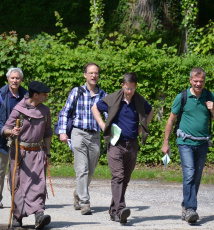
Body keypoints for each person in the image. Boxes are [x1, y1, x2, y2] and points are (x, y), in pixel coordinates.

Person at [161, 67, 214, 224]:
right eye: (195, 81)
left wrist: (213, 109)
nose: (198, 83)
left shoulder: (209, 96)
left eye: (201, 81)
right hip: (185, 142)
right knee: (189, 173)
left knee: (196, 176)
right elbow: (171, 120)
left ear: (204, 81)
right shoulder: (182, 97)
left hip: (202, 143)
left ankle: (185, 206)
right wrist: (165, 142)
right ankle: (190, 209)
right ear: (190, 80)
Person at [91, 72, 154, 224]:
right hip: (115, 144)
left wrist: (142, 128)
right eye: (127, 88)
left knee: (125, 179)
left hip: (132, 144)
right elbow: (95, 108)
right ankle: (121, 209)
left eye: (132, 88)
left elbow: (150, 111)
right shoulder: (113, 98)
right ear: (122, 85)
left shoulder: (139, 101)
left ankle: (114, 212)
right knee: (118, 177)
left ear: (136, 86)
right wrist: (102, 125)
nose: (129, 91)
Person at [1, 81, 52, 228]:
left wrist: (47, 152)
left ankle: (39, 215)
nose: (46, 96)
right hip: (19, 153)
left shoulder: (45, 111)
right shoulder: (19, 110)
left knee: (39, 185)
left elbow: (48, 133)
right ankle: (17, 216)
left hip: (37, 153)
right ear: (35, 95)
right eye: (44, 94)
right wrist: (12, 131)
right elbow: (5, 129)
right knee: (18, 185)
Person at [58, 62, 107, 215]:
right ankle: (85, 203)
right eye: (91, 73)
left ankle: (78, 193)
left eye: (96, 73)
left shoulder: (103, 95)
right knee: (82, 169)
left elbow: (108, 115)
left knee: (90, 171)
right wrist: (62, 132)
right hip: (78, 133)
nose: (94, 76)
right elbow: (65, 112)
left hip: (95, 135)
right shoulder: (76, 91)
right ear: (85, 75)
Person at [0, 67, 27, 209]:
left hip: (21, 138)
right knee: (0, 170)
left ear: (21, 80)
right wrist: (7, 131)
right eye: (12, 78)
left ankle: (17, 200)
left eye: (17, 78)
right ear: (8, 79)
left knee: (18, 170)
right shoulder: (0, 95)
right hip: (2, 138)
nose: (15, 80)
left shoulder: (26, 96)